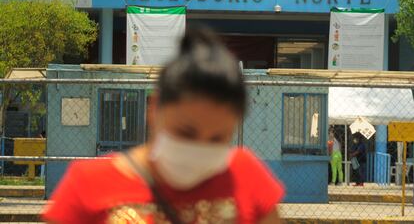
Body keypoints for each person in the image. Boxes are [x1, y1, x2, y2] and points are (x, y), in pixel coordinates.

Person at [42, 26, 285, 224]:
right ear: (155, 107)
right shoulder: (88, 186)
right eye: (185, 132)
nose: (198, 148)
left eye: (217, 139)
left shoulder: (246, 175)